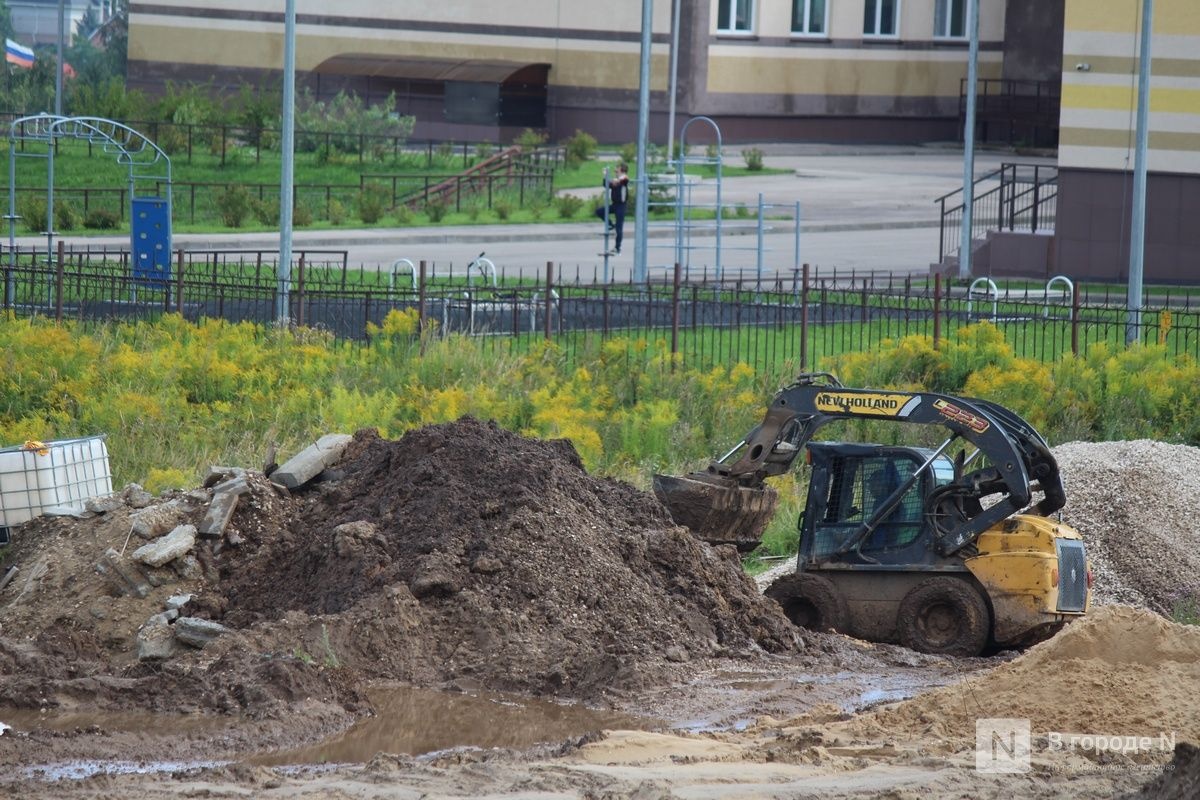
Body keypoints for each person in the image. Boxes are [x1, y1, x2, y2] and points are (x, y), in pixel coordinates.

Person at [594, 163, 629, 254]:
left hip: (621, 206)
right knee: (599, 211)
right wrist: (605, 176)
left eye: (617, 169)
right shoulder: (617, 180)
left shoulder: (624, 179)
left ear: (622, 169)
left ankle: (617, 248)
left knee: (619, 228)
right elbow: (606, 185)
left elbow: (619, 181)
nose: (615, 171)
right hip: (614, 205)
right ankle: (610, 224)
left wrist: (611, 179)